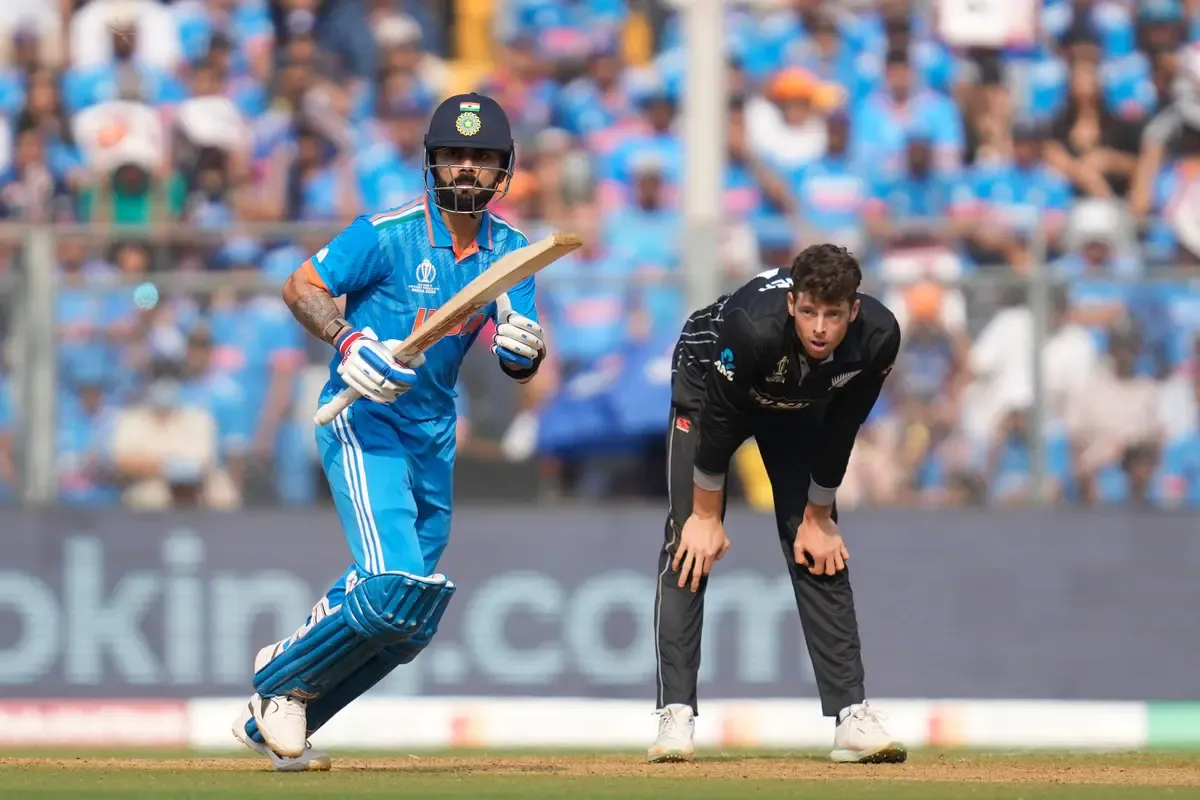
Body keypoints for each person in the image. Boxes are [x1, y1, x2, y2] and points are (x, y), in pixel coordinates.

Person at [230, 93, 547, 771]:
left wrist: (523, 350)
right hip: (364, 419)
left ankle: (276, 716)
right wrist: (347, 339)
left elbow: (517, 351)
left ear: (503, 168)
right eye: (454, 155)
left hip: (433, 434)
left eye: (481, 157)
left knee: (408, 620)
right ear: (432, 162)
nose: (467, 168)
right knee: (394, 579)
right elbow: (301, 287)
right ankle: (279, 678)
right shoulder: (385, 233)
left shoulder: (511, 251)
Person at [648, 243, 906, 764]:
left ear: (854, 311)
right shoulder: (751, 327)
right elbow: (719, 422)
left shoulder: (879, 336)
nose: (819, 329)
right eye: (808, 312)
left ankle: (851, 716)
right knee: (689, 542)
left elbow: (843, 425)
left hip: (794, 402)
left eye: (833, 315)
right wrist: (705, 517)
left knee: (819, 547)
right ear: (791, 303)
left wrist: (818, 516)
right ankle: (675, 714)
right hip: (711, 383)